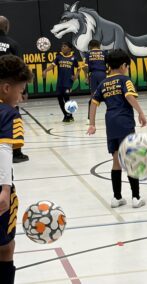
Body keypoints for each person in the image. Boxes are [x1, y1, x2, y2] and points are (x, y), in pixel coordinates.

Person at [87, 49, 147, 208]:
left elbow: (93, 103)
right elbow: (129, 96)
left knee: (116, 160)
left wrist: (92, 124)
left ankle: (117, 197)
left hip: (111, 124)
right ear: (123, 65)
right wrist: (140, 112)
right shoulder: (125, 80)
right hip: (125, 123)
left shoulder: (103, 83)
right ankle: (136, 198)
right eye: (127, 66)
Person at [0, 54, 33, 284]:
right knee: (6, 247)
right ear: (6, 88)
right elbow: (3, 149)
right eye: (20, 91)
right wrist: (4, 188)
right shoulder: (9, 115)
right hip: (0, 188)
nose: (21, 98)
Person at [0, 15, 29, 163]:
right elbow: (20, 69)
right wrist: (24, 90)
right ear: (7, 27)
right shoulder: (13, 44)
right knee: (12, 117)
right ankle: (16, 152)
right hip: (8, 90)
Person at [42, 42, 78, 123]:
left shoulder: (73, 58)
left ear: (69, 48)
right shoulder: (58, 57)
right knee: (59, 99)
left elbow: (78, 68)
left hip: (68, 82)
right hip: (60, 82)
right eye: (62, 46)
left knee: (67, 99)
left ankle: (70, 115)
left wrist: (76, 76)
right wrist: (45, 71)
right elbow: (52, 66)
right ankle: (66, 115)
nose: (62, 47)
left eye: (64, 46)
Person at [83, 40, 107, 122]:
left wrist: (86, 77)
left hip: (93, 75)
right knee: (108, 95)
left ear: (90, 46)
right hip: (103, 75)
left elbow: (85, 67)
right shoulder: (104, 53)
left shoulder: (88, 54)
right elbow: (110, 65)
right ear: (99, 45)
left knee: (93, 97)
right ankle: (113, 114)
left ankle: (89, 119)